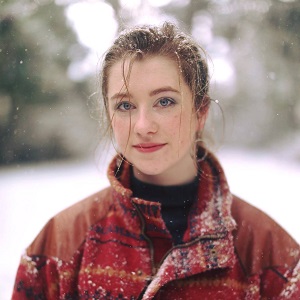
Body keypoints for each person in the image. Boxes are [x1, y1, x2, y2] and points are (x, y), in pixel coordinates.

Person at [12, 22, 299, 299]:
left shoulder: (271, 257)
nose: (143, 125)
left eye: (164, 102)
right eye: (125, 106)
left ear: (201, 112)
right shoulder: (59, 247)